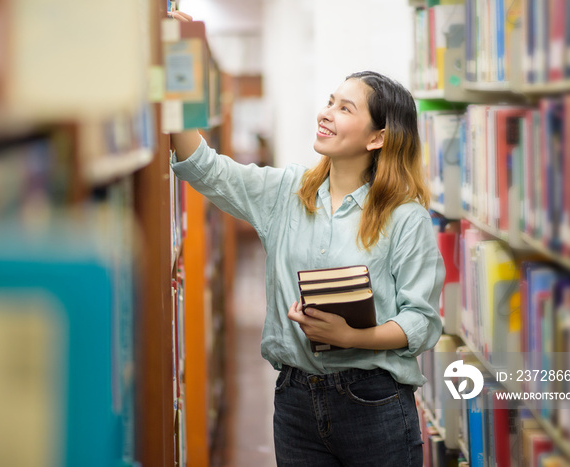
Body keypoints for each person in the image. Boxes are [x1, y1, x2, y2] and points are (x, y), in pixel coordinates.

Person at [169, 13, 444, 467]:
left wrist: (354, 336)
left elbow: (421, 322)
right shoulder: (285, 193)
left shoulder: (405, 219)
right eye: (329, 101)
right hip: (295, 403)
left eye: (344, 108)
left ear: (378, 137)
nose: (325, 113)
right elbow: (203, 166)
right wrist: (175, 58)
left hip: (374, 404)